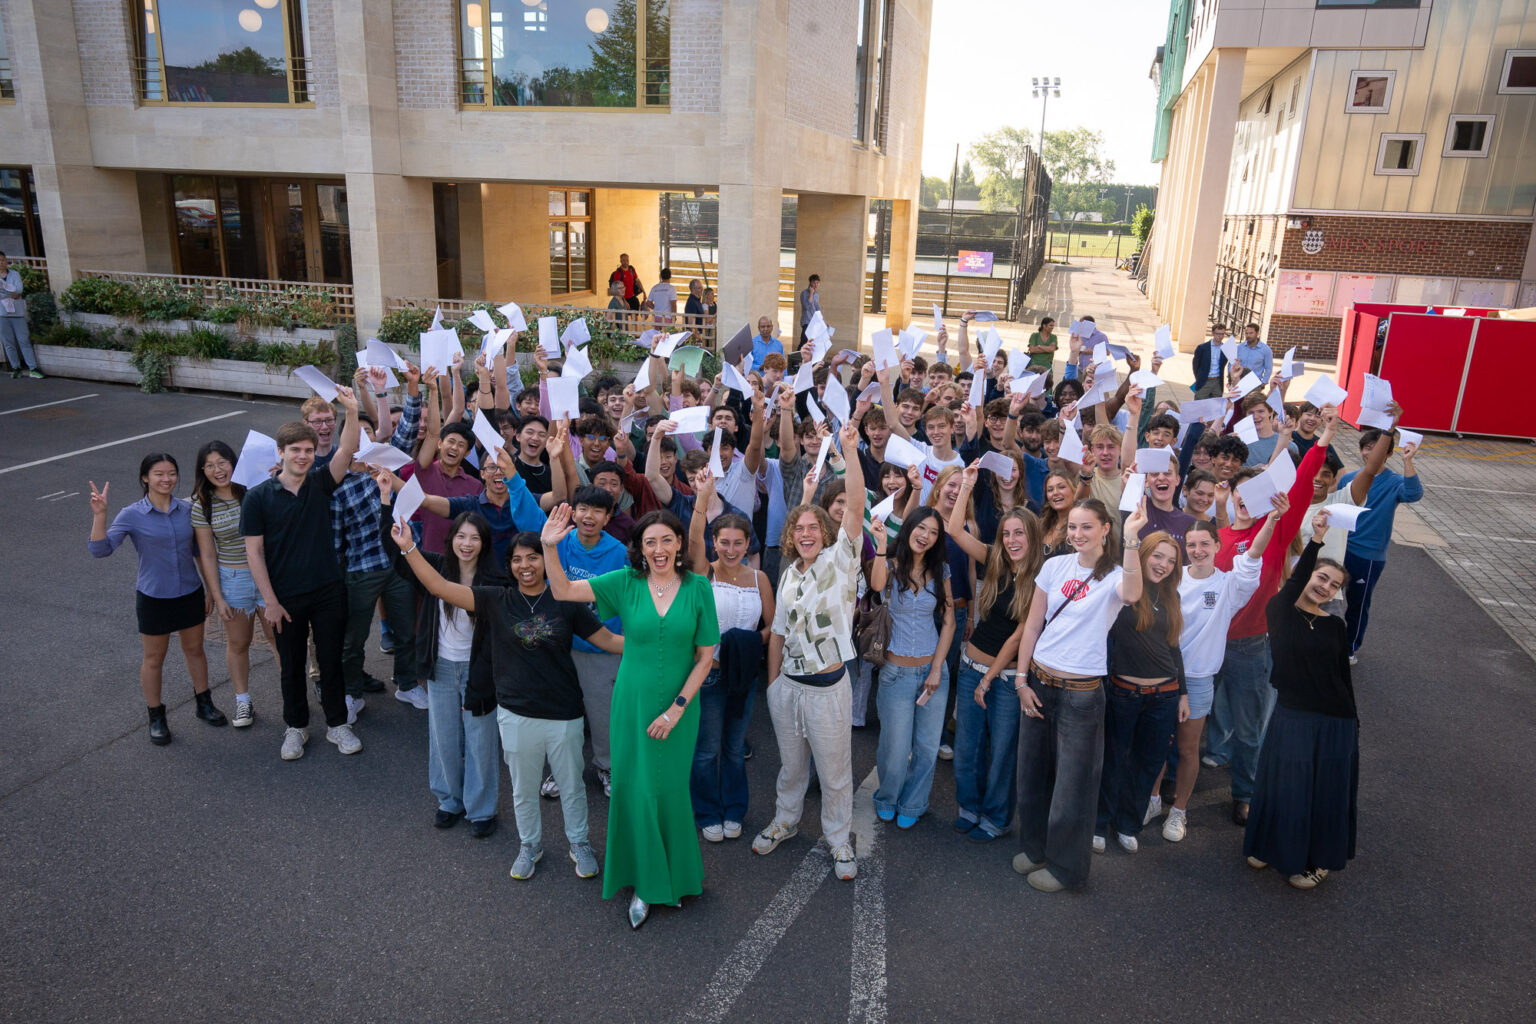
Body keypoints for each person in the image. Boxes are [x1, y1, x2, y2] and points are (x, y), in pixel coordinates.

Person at [395, 522, 620, 879]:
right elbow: (438, 586)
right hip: (516, 713)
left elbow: (609, 640)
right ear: (509, 565)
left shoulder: (567, 601)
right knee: (523, 789)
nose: (525, 565)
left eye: (533, 557)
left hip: (564, 713)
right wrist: (409, 547)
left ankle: (579, 843)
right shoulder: (495, 600)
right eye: (517, 559)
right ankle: (529, 845)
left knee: (573, 787)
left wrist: (658, 644)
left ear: (546, 561)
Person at [541, 506, 719, 929]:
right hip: (632, 705)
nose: (658, 549)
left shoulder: (697, 588)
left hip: (679, 709)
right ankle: (643, 882)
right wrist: (550, 547)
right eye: (649, 542)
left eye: (666, 540)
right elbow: (564, 590)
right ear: (639, 548)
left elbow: (705, 658)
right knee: (636, 789)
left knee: (671, 791)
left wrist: (676, 710)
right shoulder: (624, 583)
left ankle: (674, 877)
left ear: (679, 545)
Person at [1010, 498, 1147, 893]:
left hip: (1082, 695)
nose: (1077, 534)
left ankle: (1065, 868)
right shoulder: (1054, 566)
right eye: (1072, 527)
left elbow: (1134, 594)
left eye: (1086, 527)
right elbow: (1032, 627)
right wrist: (1021, 681)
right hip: (1039, 683)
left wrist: (1134, 539)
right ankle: (1035, 848)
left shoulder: (1117, 574)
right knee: (1032, 775)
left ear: (1106, 529)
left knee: (1073, 786)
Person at [754, 421, 870, 883]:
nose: (805, 533)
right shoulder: (789, 575)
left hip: (828, 689)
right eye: (798, 528)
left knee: (836, 773)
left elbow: (856, 504)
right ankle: (785, 820)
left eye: (812, 527)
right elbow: (778, 631)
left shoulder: (841, 561)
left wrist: (849, 451)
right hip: (788, 689)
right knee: (791, 767)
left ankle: (839, 840)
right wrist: (772, 685)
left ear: (827, 530)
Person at [241, 393, 365, 761]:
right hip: (285, 597)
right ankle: (296, 726)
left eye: (308, 450)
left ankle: (337, 725)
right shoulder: (258, 497)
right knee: (292, 666)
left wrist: (353, 409)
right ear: (280, 452)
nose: (303, 456)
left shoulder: (320, 483)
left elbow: (346, 449)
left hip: (328, 590)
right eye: (295, 449)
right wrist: (271, 602)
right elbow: (254, 552)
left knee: (331, 661)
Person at [1244, 514, 1356, 890]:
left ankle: (1318, 861)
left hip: (1333, 719)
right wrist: (1317, 542)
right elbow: (1292, 585)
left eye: (1334, 584)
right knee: (1282, 785)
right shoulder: (1281, 612)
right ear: (1307, 575)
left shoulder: (1334, 625)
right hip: (1292, 714)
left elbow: (1343, 676)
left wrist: (1352, 723)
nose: (1326, 586)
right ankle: (1267, 845)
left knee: (1322, 794)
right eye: (1321, 577)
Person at [88, 454, 226, 745]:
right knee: (154, 658)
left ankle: (204, 704)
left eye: (172, 473)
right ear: (145, 478)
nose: (166, 479)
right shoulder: (131, 514)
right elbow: (101, 550)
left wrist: (211, 591)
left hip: (189, 592)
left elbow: (202, 553)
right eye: (159, 474)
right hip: (153, 597)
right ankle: (156, 715)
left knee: (195, 650)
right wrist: (100, 515)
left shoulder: (188, 510)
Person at [947, 496, 1043, 842]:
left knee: (1002, 752)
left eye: (1019, 534)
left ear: (1032, 537)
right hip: (972, 666)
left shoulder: (1040, 578)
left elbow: (1019, 637)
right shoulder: (994, 562)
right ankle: (969, 807)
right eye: (1006, 534)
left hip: (1003, 679)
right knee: (967, 748)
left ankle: (997, 817)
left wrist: (988, 679)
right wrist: (968, 487)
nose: (1012, 541)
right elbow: (954, 529)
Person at [685, 492, 775, 843]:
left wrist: (750, 642)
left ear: (748, 543)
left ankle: (735, 809)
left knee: (735, 748)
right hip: (707, 674)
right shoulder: (702, 573)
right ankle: (707, 811)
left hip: (743, 675)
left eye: (739, 543)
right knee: (706, 749)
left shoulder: (760, 580)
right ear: (714, 542)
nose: (732, 549)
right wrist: (702, 498)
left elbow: (771, 626)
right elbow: (692, 538)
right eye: (724, 542)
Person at [1095, 531, 1185, 854]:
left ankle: (1128, 823)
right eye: (1157, 556)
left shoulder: (1170, 595)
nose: (1163, 565)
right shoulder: (1123, 589)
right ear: (1143, 554)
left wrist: (1183, 693)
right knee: (1114, 759)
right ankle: (1099, 822)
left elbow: (1173, 648)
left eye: (1171, 560)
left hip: (1165, 695)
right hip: (1123, 692)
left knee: (1149, 763)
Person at [873, 507, 954, 828]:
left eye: (933, 532)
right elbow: (875, 583)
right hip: (895, 673)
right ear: (909, 529)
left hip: (933, 672)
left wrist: (937, 669)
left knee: (926, 747)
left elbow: (948, 621)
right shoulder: (891, 566)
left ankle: (914, 803)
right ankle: (887, 797)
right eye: (921, 528)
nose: (926, 536)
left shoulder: (942, 570)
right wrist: (881, 544)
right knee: (895, 748)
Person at [190, 440, 278, 728]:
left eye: (223, 462)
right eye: (210, 465)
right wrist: (217, 596)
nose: (218, 470)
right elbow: (207, 554)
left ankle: (292, 696)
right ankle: (242, 701)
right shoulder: (202, 505)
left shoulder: (254, 489)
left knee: (279, 639)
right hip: (233, 579)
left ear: (234, 462)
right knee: (239, 643)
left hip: (268, 574)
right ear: (203, 470)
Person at [1335, 425, 1422, 661]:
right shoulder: (1351, 479)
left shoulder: (1394, 482)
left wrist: (1408, 462)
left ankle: (1350, 648)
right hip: (1341, 549)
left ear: (1388, 453)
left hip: (1369, 556)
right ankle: (1326, 644)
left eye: (1376, 448)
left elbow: (1414, 494)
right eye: (1366, 448)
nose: (1369, 453)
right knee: (1328, 599)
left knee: (1357, 605)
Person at [0, 253, 42, 378]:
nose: (1, 262)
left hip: (17, 313)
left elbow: (18, 290)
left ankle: (32, 367)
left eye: (2, 260)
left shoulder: (14, 274)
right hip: (2, 314)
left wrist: (5, 291)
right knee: (8, 342)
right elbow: (11, 292)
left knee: (24, 340)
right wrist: (9, 292)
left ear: (6, 261)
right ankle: (15, 367)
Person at [1191, 324, 1228, 399]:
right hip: (1204, 381)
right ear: (1213, 333)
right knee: (1200, 405)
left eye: (1222, 334)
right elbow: (1195, 365)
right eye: (1218, 334)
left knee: (1215, 406)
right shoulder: (1202, 348)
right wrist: (1199, 378)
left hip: (1217, 382)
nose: (1220, 336)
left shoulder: (1225, 349)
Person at [798, 274, 821, 343]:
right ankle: (796, 354)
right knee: (803, 343)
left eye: (817, 283)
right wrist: (810, 294)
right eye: (814, 282)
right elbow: (806, 307)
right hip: (806, 322)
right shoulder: (804, 293)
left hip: (814, 322)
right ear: (810, 282)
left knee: (811, 343)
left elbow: (817, 308)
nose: (816, 285)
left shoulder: (816, 294)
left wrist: (822, 320)